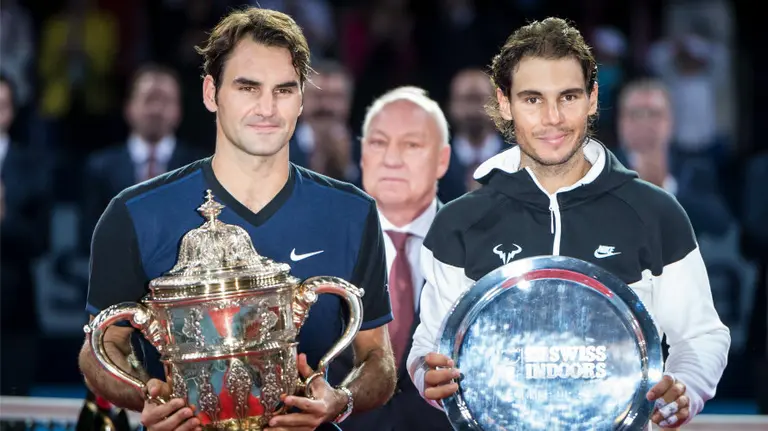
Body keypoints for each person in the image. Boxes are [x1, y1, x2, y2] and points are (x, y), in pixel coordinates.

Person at [78, 7, 397, 431]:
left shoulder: (353, 212)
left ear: (302, 98)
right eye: (248, 88)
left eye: (284, 90)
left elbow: (378, 357)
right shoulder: (134, 212)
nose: (267, 108)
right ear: (212, 93)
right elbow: (100, 348)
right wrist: (148, 395)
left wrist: (341, 399)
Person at [406, 17, 730, 429]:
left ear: (593, 98)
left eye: (569, 97)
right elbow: (429, 345)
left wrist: (684, 386)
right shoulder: (458, 222)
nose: (553, 118)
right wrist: (426, 374)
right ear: (505, 103)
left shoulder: (656, 212)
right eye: (533, 99)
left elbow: (701, 335)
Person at [334, 86, 452, 430]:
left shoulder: (477, 249)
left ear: (442, 160)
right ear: (362, 156)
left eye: (411, 145)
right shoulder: (322, 244)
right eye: (378, 142)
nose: (391, 159)